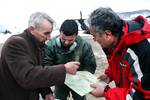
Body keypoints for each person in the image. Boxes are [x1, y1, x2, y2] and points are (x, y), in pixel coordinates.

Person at [0, 12, 80, 100]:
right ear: (31, 29)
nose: (49, 38)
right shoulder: (15, 43)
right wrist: (64, 69)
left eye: (50, 33)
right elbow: (28, 77)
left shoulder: (38, 45)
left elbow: (39, 70)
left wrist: (46, 92)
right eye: (46, 33)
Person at [88, 7, 150, 100]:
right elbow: (119, 60)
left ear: (107, 34)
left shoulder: (141, 50)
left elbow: (141, 96)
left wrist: (106, 92)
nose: (94, 40)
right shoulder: (116, 39)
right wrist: (109, 75)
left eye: (94, 36)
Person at [43, 19, 96, 100]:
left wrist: (82, 78)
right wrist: (60, 71)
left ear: (76, 35)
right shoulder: (51, 45)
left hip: (79, 82)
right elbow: (46, 66)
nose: (66, 42)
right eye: (63, 39)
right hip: (60, 80)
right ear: (60, 32)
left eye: (70, 40)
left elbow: (90, 66)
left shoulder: (85, 46)